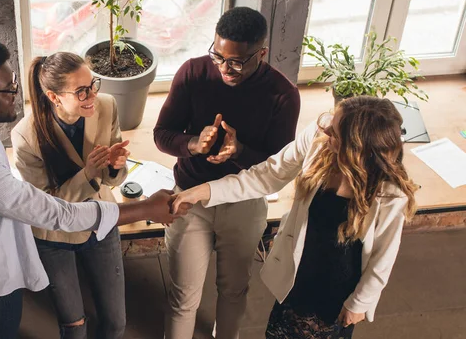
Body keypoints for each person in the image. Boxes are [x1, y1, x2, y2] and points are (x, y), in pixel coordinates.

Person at [0, 36, 190, 339]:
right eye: (7, 90)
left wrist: (111, 167)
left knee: (114, 321)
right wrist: (146, 207)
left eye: (14, 82)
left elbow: (107, 180)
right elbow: (59, 215)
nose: (16, 95)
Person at [172, 96, 418, 338]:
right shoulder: (319, 139)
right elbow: (268, 174)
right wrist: (205, 191)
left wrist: (359, 303)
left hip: (338, 285)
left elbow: (383, 256)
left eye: (335, 132)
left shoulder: (390, 194)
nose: (325, 130)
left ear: (357, 150)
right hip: (299, 269)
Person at [154, 6, 301, 339]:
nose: (224, 67)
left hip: (244, 203)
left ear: (261, 54)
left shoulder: (283, 95)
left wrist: (241, 152)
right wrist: (193, 143)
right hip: (190, 198)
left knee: (234, 290)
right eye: (218, 56)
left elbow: (279, 166)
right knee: (183, 297)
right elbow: (162, 134)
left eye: (236, 62)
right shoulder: (193, 73)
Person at [11, 52, 129, 339]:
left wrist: (116, 166)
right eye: (81, 91)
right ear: (54, 97)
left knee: (116, 324)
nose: (92, 95)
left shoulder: (107, 106)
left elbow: (113, 179)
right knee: (74, 328)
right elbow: (46, 206)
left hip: (99, 224)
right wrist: (88, 173)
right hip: (55, 237)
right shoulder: (26, 136)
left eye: (93, 84)